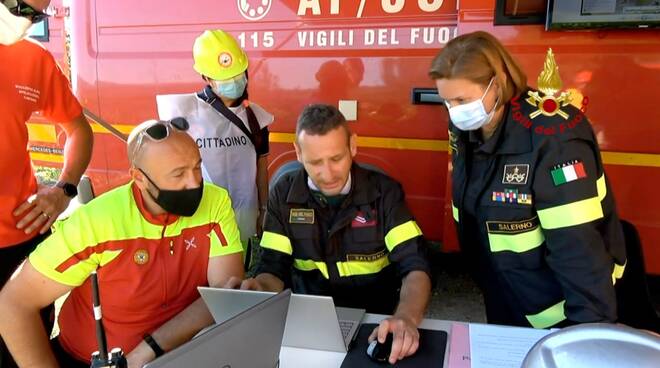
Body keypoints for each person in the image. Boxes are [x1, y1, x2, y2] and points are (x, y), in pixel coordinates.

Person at [0, 119, 245, 368]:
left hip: (175, 357)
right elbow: (14, 303)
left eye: (197, 167)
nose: (194, 183)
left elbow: (225, 296)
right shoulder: (97, 221)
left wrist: (149, 348)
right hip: (86, 360)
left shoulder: (215, 202)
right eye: (178, 174)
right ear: (139, 178)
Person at [429, 31, 626, 329]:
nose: (455, 111)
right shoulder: (470, 126)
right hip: (505, 288)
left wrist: (588, 332)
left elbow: (578, 247)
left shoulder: (554, 138)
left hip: (559, 310)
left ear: (498, 83)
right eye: (447, 101)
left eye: (461, 99)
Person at [235, 104, 432, 365]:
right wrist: (258, 289)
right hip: (307, 327)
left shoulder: (385, 193)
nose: (327, 175)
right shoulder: (283, 194)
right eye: (315, 163)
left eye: (336, 159)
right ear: (297, 152)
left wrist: (406, 316)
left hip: (375, 325)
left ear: (353, 146)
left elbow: (415, 264)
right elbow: (273, 266)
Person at [1, 0, 93, 366]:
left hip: (21, 238)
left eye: (35, 15)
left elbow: (78, 130)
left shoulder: (32, 59)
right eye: (19, 6)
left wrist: (64, 190)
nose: (25, 20)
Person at [157, 29, 273, 254]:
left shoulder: (256, 117)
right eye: (225, 77)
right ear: (207, 78)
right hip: (200, 215)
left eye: (239, 74)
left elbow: (261, 166)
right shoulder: (184, 114)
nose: (235, 81)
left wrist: (264, 209)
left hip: (245, 217)